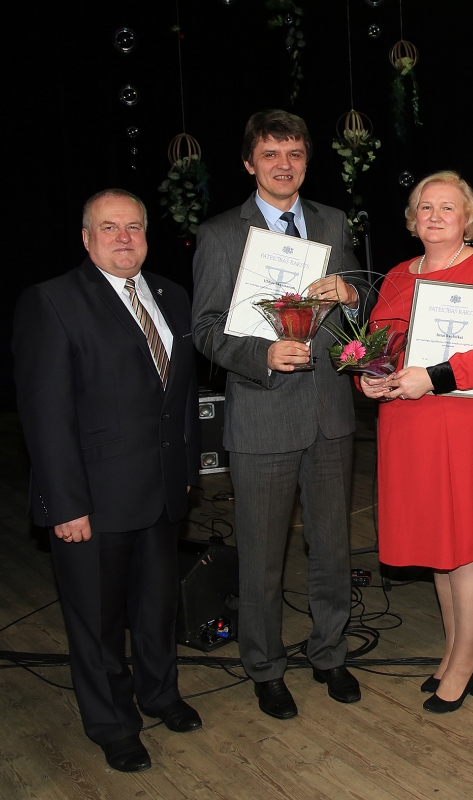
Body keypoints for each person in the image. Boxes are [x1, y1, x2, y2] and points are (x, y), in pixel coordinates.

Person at [13, 189, 201, 773]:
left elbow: (182, 395)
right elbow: (45, 415)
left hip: (161, 490)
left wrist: (186, 470)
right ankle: (112, 724)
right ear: (87, 237)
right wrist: (65, 503)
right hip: (92, 499)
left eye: (134, 227)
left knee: (156, 608)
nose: (124, 237)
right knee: (97, 624)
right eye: (110, 227)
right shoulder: (52, 301)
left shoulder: (171, 295)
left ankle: (160, 694)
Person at [192, 110, 370, 720]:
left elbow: (363, 307)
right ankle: (265, 667)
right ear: (250, 164)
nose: (284, 165)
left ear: (306, 160)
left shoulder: (332, 222)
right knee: (263, 558)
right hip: (262, 415)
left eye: (294, 153)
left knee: (333, 549)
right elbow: (205, 329)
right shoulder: (221, 234)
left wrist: (353, 295)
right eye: (270, 154)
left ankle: (330, 653)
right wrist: (261, 355)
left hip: (329, 415)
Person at [359, 171, 473, 713]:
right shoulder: (397, 276)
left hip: (467, 423)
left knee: (467, 540)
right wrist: (370, 376)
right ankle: (455, 650)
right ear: (412, 219)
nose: (434, 215)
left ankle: (466, 660)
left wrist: (435, 377)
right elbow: (378, 344)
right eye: (425, 207)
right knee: (439, 539)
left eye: (447, 207)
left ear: (467, 219)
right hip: (411, 425)